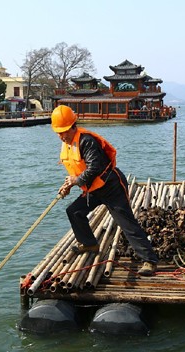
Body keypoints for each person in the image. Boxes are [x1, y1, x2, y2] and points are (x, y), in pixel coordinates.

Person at [51, 105, 158, 276]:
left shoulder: (86, 141)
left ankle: (149, 260)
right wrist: (69, 184)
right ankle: (89, 244)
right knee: (74, 211)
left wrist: (76, 181)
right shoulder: (69, 144)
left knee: (127, 224)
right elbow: (78, 170)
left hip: (111, 187)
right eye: (58, 132)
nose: (61, 136)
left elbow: (95, 167)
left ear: (73, 126)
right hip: (93, 189)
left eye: (64, 131)